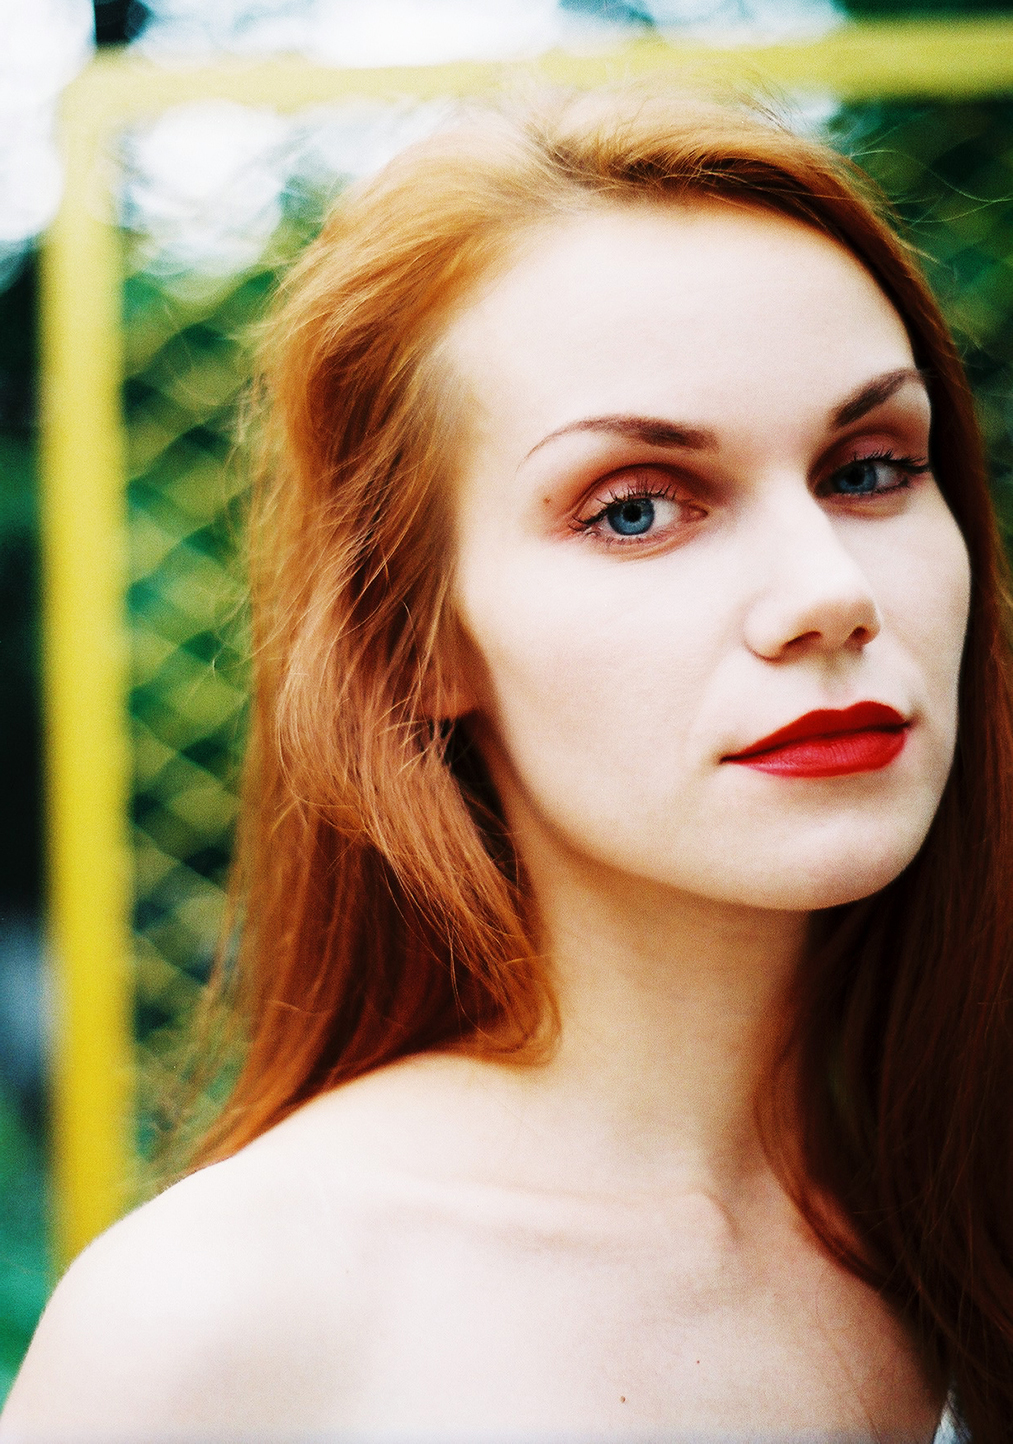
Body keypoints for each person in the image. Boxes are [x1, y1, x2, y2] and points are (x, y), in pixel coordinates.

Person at [3, 85, 1010, 1442]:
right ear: (413, 642)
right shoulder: (221, 1326)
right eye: (635, 509)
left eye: (871, 469)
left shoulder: (961, 1209)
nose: (829, 592)